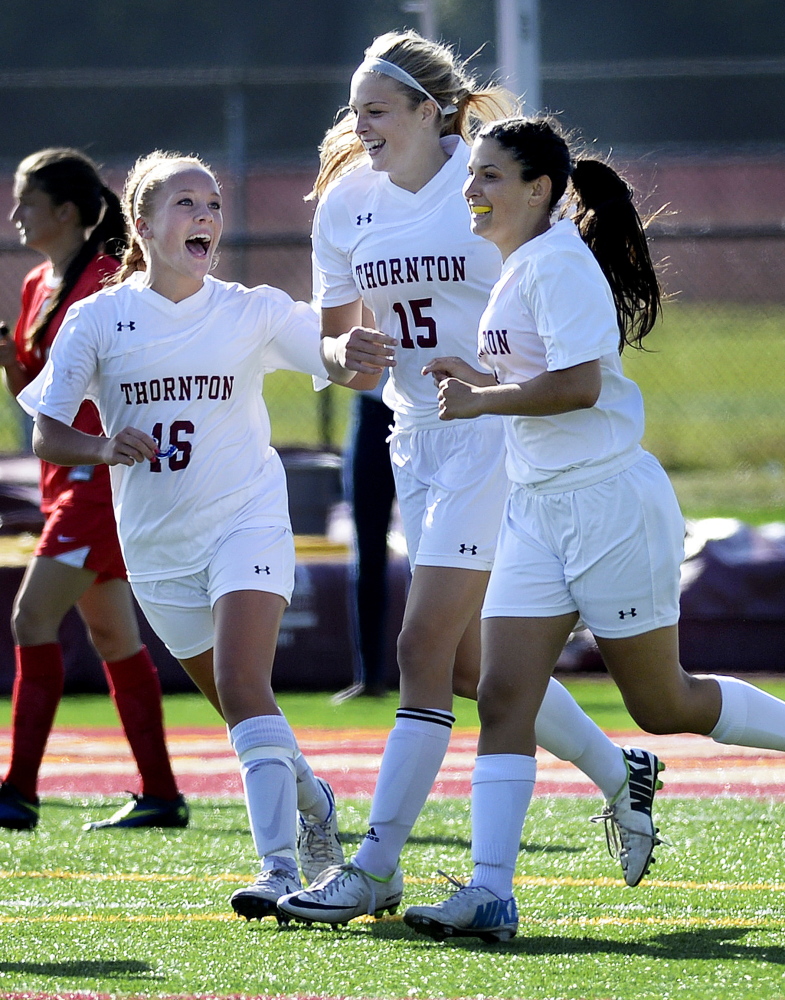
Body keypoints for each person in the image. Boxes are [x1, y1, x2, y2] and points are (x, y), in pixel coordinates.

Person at [278, 31, 664, 927]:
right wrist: (346, 350)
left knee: (418, 651)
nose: (358, 125)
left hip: (495, 436)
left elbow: (563, 303)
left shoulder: (483, 185)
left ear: (429, 112)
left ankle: (376, 865)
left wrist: (502, 386)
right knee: (464, 664)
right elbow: (339, 351)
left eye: (377, 109)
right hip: (414, 435)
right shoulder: (345, 205)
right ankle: (620, 770)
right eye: (355, 109)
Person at [400, 116, 785, 944]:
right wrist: (475, 375)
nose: (471, 189)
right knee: (504, 693)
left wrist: (480, 399)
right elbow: (536, 376)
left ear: (538, 189)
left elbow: (576, 387)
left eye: (489, 176)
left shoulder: (558, 264)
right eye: (471, 174)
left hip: (609, 504)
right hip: (538, 507)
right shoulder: (518, 267)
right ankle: (490, 893)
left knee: (660, 703)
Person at [17, 150, 394, 918]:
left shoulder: (248, 307)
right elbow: (47, 434)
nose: (206, 217)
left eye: (214, 203)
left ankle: (279, 869)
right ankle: (314, 799)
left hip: (245, 524)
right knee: (240, 708)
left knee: (248, 684)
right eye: (187, 203)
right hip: (156, 551)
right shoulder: (99, 318)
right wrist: (100, 446)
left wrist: (347, 349)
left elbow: (331, 356)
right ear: (144, 224)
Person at [0, 148, 186, 832]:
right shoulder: (35, 286)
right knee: (112, 636)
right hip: (64, 474)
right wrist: (9, 365)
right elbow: (37, 405)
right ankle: (162, 793)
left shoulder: (108, 281)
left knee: (31, 619)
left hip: (101, 477)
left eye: (27, 202)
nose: (15, 214)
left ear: (66, 212)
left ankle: (16, 790)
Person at [332, 368, 395, 703]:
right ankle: (369, 676)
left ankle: (449, 668)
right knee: (368, 552)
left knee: (438, 554)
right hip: (375, 406)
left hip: (432, 410)